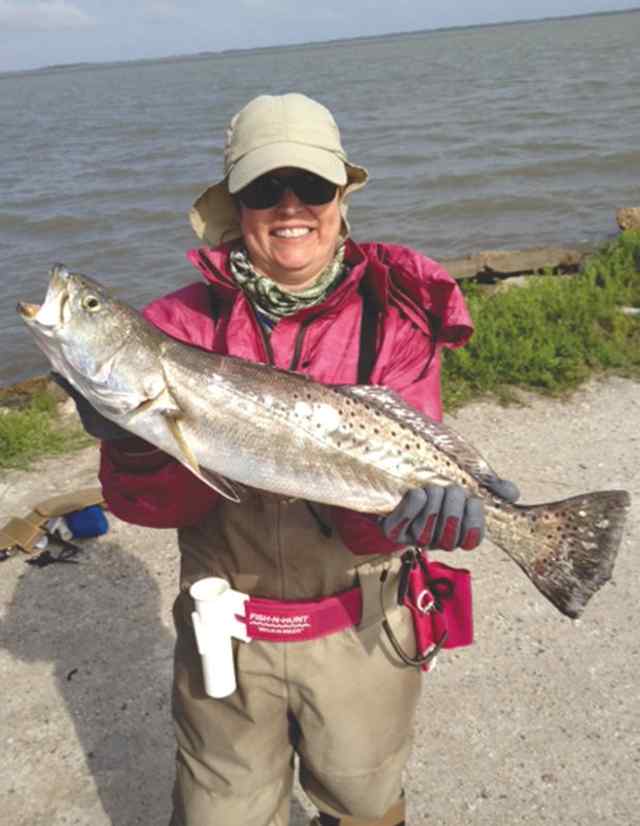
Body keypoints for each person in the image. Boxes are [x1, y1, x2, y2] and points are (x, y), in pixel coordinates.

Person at [61, 93, 518, 826]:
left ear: (341, 195)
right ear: (233, 205)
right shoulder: (175, 326)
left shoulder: (395, 318)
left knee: (366, 802)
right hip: (225, 634)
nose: (290, 205)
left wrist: (416, 520)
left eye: (311, 185)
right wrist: (124, 436)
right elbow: (153, 509)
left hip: (362, 630)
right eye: (263, 188)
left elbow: (374, 526)